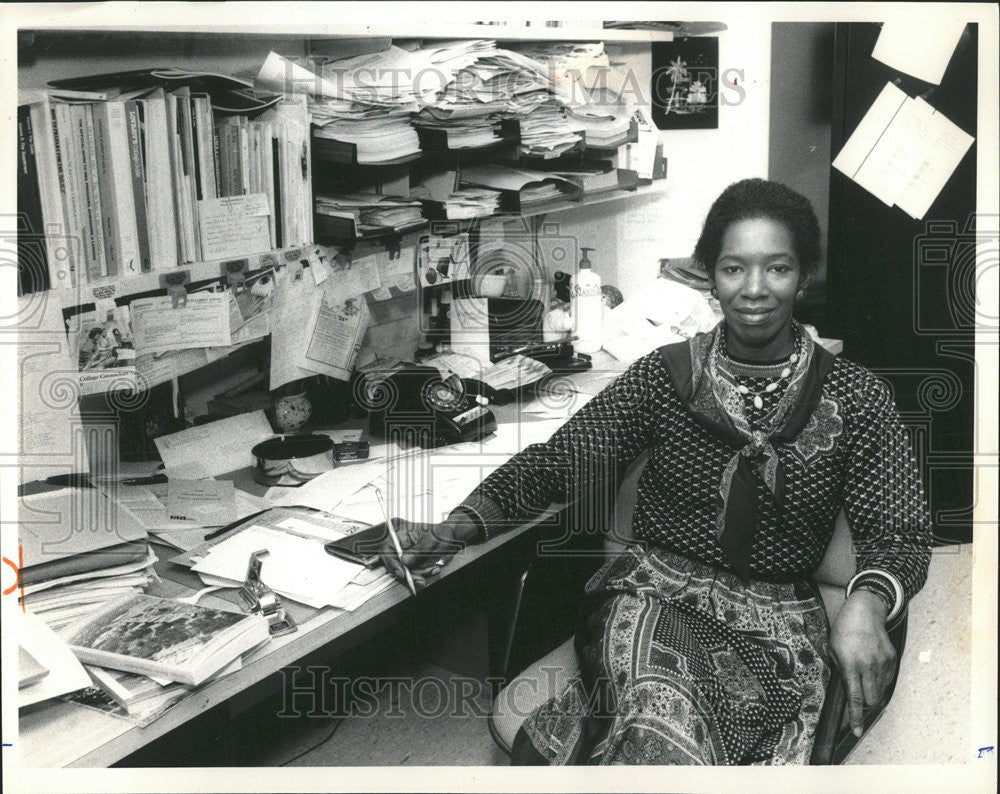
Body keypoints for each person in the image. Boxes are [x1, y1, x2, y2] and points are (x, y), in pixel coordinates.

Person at [378, 178, 932, 765]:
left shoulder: (858, 397)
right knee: (655, 708)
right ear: (709, 276)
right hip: (652, 596)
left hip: (777, 624)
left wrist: (868, 602)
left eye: (778, 269)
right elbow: (560, 461)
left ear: (804, 275)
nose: (754, 290)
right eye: (733, 269)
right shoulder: (666, 376)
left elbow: (901, 533)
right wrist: (452, 528)